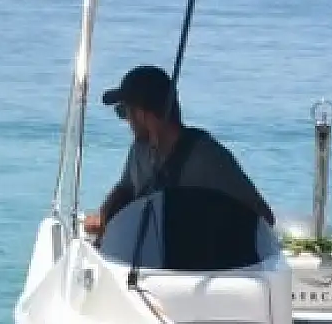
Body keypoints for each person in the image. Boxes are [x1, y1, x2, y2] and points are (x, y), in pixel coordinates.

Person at [82, 64, 274, 244]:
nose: (126, 121)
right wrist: (104, 218)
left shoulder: (206, 157)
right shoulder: (140, 149)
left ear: (143, 114)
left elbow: (263, 217)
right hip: (147, 260)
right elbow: (125, 189)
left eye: (124, 111)